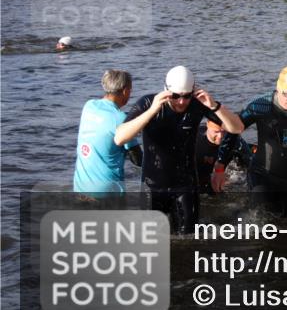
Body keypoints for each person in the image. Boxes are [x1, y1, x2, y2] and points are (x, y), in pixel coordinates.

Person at [115, 66, 244, 234]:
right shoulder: (148, 103)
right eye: (175, 96)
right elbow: (119, 138)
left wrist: (214, 106)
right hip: (153, 187)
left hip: (186, 185)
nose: (181, 101)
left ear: (193, 91)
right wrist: (153, 110)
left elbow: (237, 128)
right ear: (166, 90)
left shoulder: (198, 105)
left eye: (186, 96)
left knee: (188, 241)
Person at [213, 65, 287, 220]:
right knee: (259, 220)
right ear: (278, 88)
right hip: (263, 174)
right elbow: (234, 129)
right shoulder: (261, 105)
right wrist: (220, 166)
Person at [73, 70, 142, 195]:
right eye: (130, 90)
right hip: (108, 194)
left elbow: (106, 123)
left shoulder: (88, 106)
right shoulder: (121, 120)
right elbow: (138, 160)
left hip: (81, 188)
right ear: (125, 90)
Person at [195, 120, 254, 195]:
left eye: (223, 131)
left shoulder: (233, 140)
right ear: (208, 126)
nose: (220, 136)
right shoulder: (194, 141)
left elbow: (250, 162)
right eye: (216, 131)